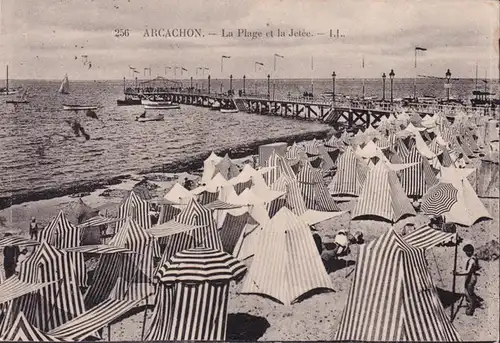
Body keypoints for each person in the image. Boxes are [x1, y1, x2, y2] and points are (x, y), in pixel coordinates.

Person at [454, 244, 480, 316]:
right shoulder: (474, 258)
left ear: (469, 252)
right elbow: (477, 268)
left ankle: (470, 309)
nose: (465, 254)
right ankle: (472, 304)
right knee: (468, 292)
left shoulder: (471, 260)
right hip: (472, 277)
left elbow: (467, 271)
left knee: (468, 293)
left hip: (471, 277)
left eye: (466, 252)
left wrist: (458, 273)